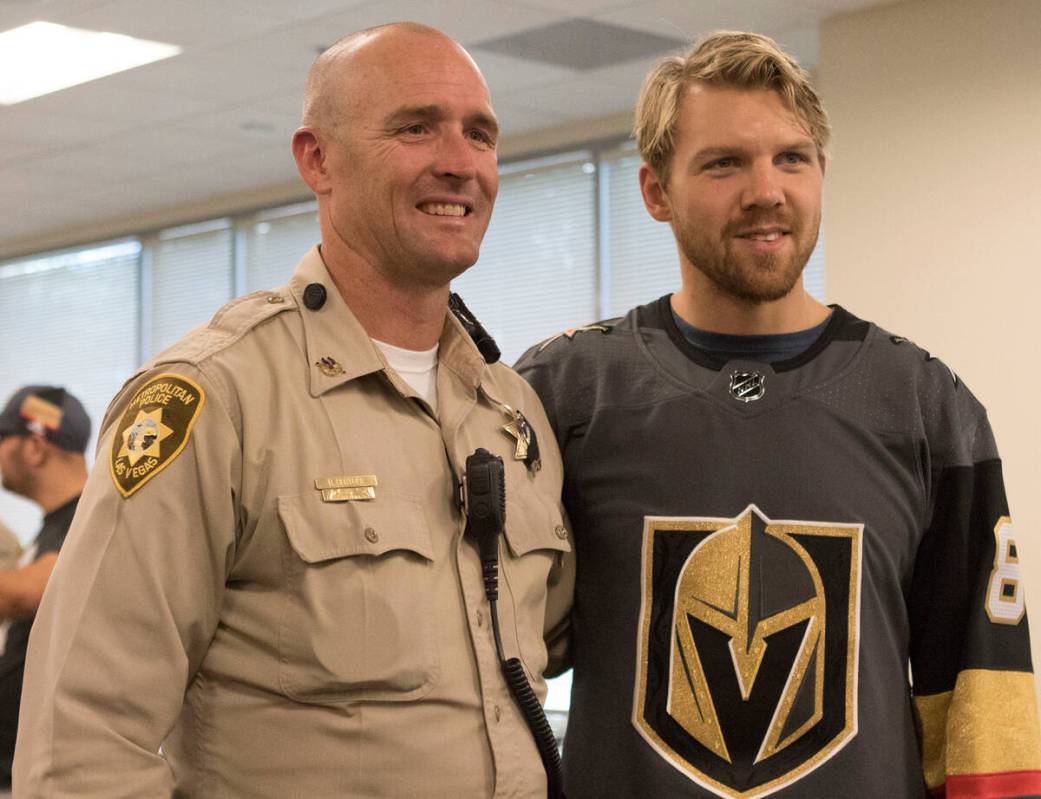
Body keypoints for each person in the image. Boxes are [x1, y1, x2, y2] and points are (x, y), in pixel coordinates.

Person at [14, 23, 572, 797]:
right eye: (415, 127)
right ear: (318, 160)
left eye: (479, 133)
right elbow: (83, 736)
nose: (458, 161)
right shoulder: (213, 397)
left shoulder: (509, 412)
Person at [517, 30, 1041, 799]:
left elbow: (980, 699)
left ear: (821, 172)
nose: (765, 189)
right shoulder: (560, 393)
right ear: (654, 192)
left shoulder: (927, 406)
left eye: (790, 158)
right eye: (724, 162)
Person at [0, 386, 89, 792]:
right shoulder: (56, 524)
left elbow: (24, 594)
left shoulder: (87, 518)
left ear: (35, 447)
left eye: (4, 440)